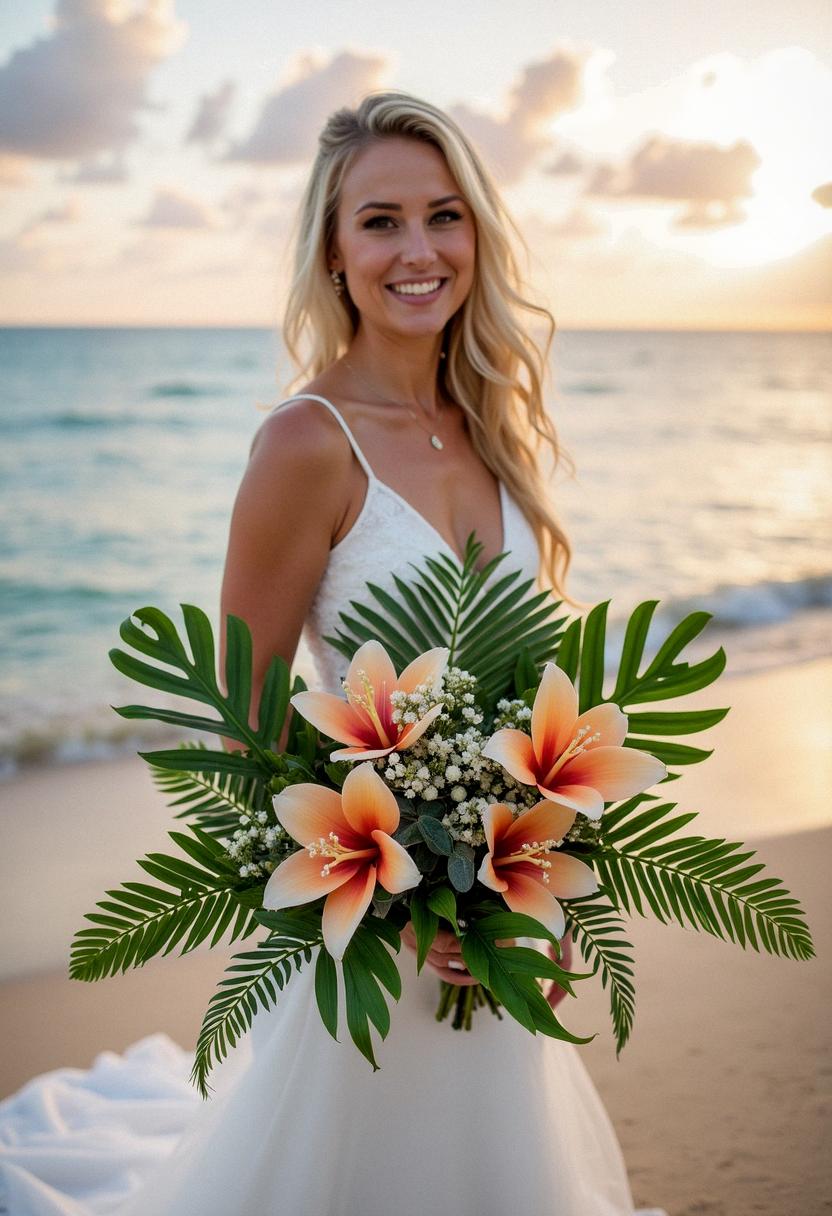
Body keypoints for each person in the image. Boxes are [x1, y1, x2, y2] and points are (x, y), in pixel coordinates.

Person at [0, 90, 667, 1216]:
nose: (419, 250)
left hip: (496, 912)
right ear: (333, 250)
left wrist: (526, 887)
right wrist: (410, 900)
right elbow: (240, 716)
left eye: (444, 215)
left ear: (477, 235)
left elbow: (524, 701)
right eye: (381, 220)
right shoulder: (306, 442)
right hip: (372, 924)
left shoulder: (491, 427)